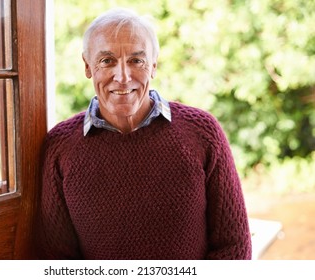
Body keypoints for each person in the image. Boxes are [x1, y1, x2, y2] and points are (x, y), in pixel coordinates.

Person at [36, 7, 252, 260]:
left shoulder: (202, 132)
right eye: (107, 61)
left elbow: (234, 245)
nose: (123, 77)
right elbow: (55, 259)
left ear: (153, 66)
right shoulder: (60, 147)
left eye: (136, 61)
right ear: (87, 66)